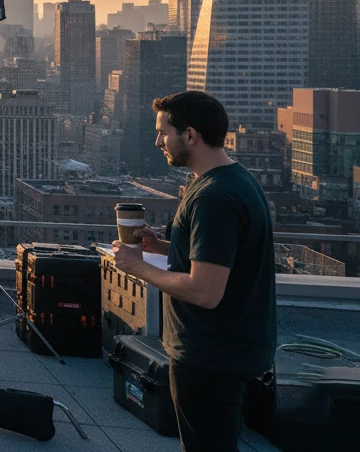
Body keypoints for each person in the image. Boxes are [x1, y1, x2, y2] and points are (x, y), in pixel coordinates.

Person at [111, 90, 275, 452]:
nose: (158, 142)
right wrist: (167, 248)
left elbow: (205, 291)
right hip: (229, 349)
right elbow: (224, 259)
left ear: (190, 135)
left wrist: (136, 266)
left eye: (164, 132)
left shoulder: (212, 197)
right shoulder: (237, 180)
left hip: (209, 356)